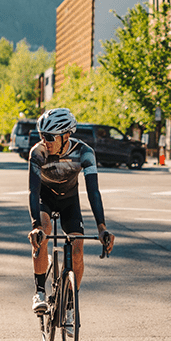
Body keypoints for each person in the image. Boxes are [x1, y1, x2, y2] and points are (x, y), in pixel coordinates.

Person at [27, 108, 115, 313]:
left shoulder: (85, 153)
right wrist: (35, 226)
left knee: (77, 249)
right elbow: (33, 190)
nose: (44, 141)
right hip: (45, 198)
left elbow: (93, 191)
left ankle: (69, 304)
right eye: (42, 135)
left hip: (69, 201)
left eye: (49, 137)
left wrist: (102, 228)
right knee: (44, 231)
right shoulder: (38, 153)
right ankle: (39, 292)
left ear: (66, 135)